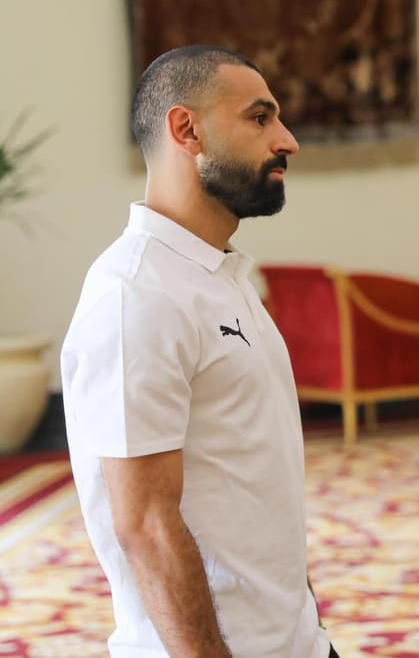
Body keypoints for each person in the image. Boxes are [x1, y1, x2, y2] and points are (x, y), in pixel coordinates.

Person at [61, 46, 339, 658]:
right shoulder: (135, 295)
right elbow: (145, 525)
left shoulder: (221, 277)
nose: (287, 141)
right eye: (260, 118)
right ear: (186, 130)